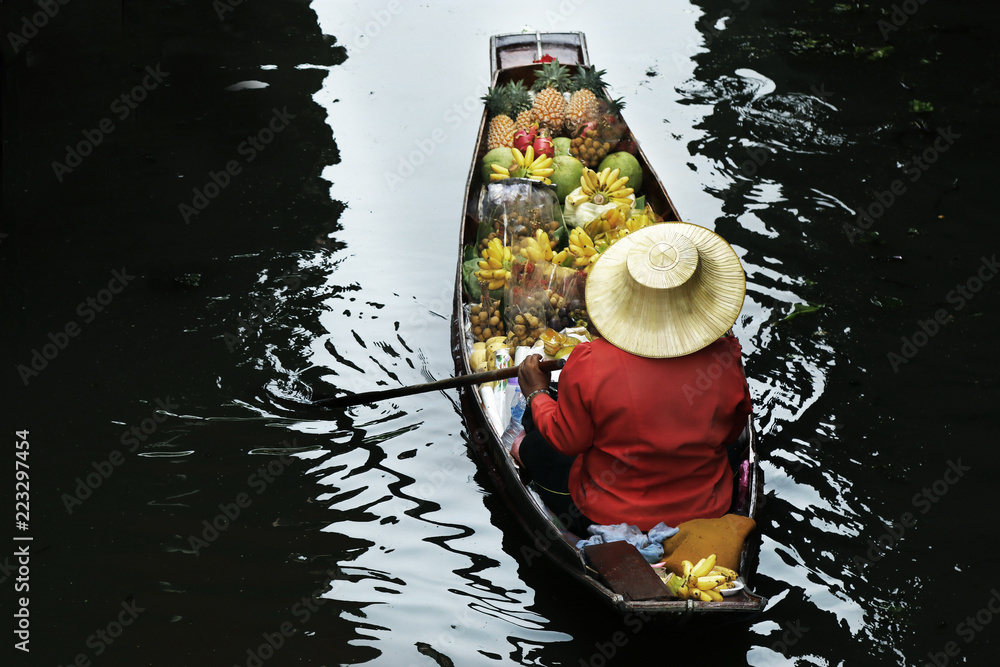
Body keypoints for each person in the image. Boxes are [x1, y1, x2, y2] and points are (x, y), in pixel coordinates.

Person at [512, 222, 752, 535]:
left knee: (535, 445)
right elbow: (732, 431)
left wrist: (536, 395)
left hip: (607, 514)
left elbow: (568, 441)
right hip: (705, 509)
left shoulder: (591, 361)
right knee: (737, 447)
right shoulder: (725, 358)